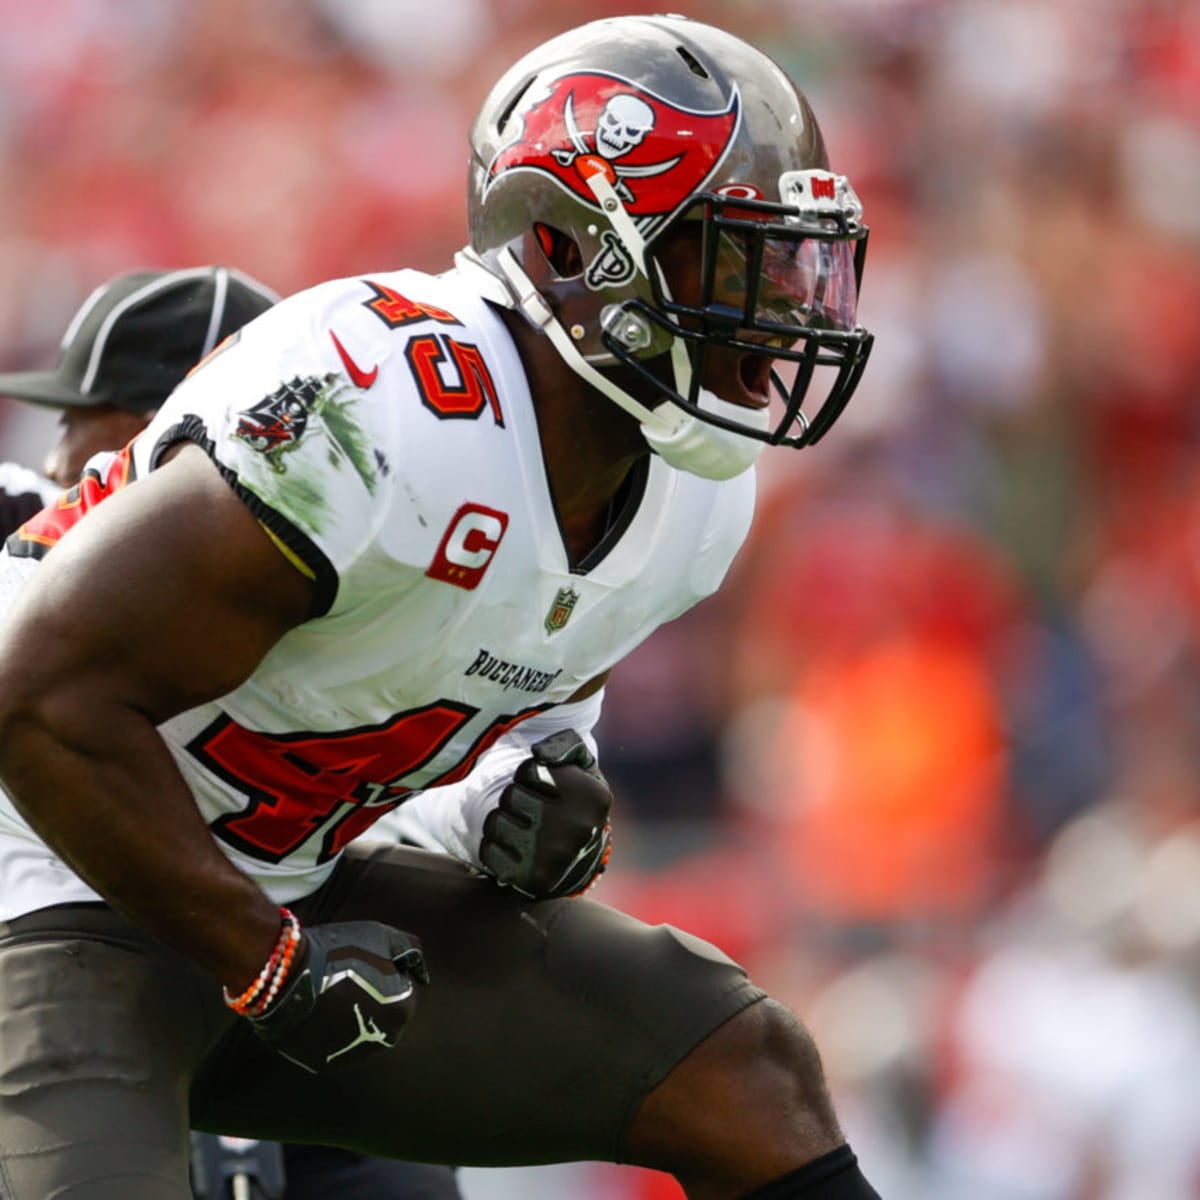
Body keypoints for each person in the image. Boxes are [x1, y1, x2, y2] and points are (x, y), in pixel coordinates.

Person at [0, 15, 880, 1200]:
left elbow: (483, 697)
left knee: (740, 1070)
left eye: (785, 264)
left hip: (293, 884)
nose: (777, 311)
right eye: (726, 259)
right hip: (60, 873)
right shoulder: (378, 404)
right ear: (572, 252)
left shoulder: (690, 489)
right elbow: (36, 700)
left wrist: (527, 797)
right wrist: (264, 963)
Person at [0, 265, 463, 1200]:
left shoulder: (339, 569)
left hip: (277, 984)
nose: (60, 462)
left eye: (78, 420)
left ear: (163, 431)